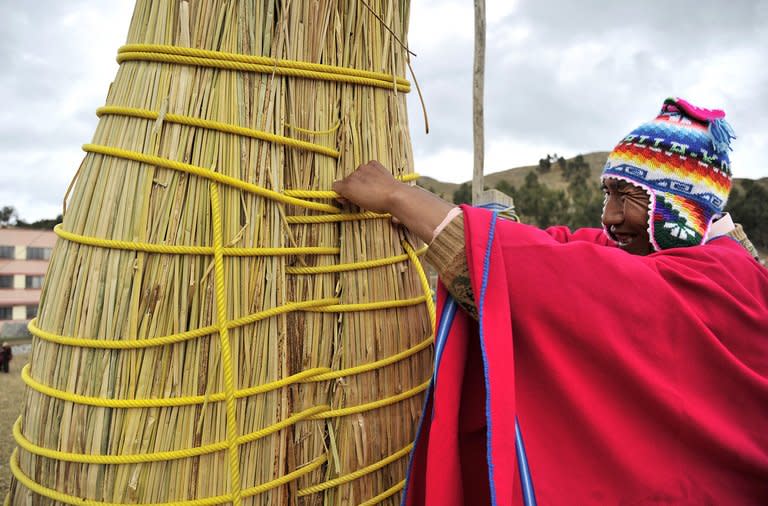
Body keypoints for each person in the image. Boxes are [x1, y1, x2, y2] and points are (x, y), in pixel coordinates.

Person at [333, 98, 768, 505]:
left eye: (628, 197)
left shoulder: (705, 282)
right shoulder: (733, 267)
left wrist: (399, 196)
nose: (610, 216)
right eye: (608, 195)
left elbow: (549, 276)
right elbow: (561, 251)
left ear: (681, 209)